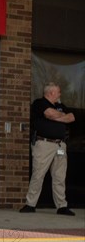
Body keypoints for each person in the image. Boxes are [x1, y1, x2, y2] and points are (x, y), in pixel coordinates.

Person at [20, 82, 76, 216]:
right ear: (51, 93)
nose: (60, 94)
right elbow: (49, 114)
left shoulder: (60, 106)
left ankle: (61, 206)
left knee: (59, 176)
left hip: (60, 145)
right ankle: (30, 204)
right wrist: (61, 117)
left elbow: (71, 117)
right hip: (44, 144)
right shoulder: (40, 103)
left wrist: (58, 117)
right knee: (38, 174)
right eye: (58, 92)